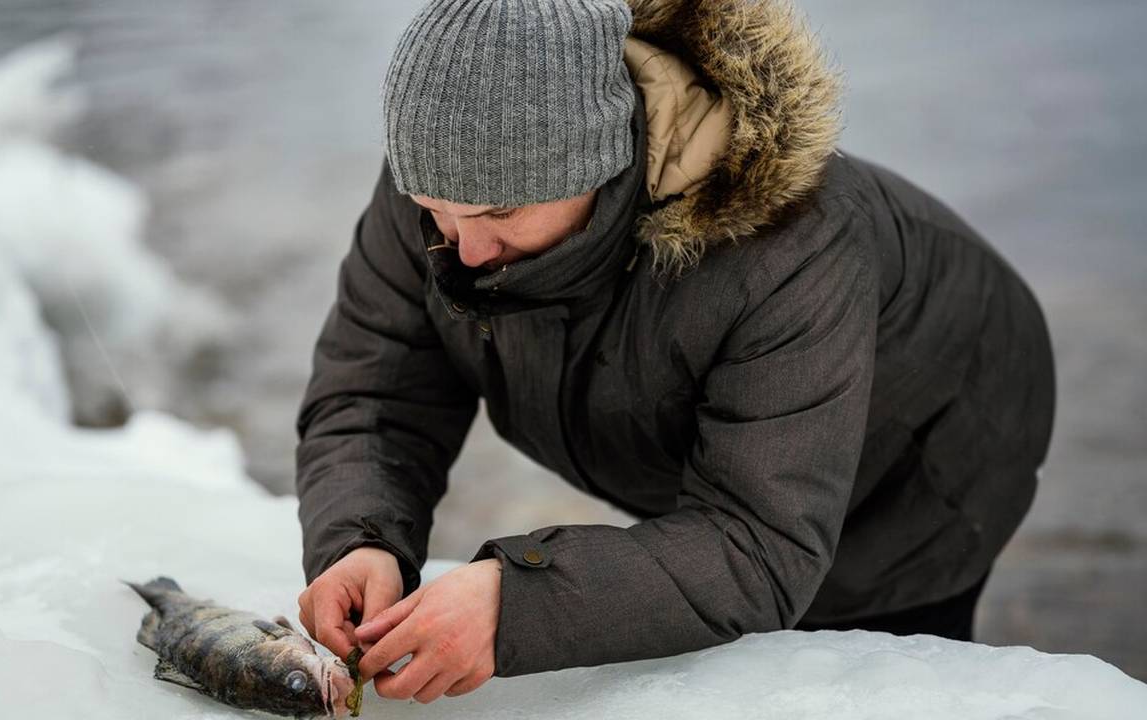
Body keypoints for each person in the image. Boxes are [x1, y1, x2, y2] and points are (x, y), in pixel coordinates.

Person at [294, 0, 1056, 705]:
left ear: (597, 161)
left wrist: (521, 603)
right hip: (746, 462)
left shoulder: (789, 249)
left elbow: (761, 541)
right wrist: (362, 538)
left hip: (932, 452)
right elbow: (376, 393)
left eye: (501, 212)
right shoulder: (445, 182)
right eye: (436, 210)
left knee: (854, 679)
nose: (466, 247)